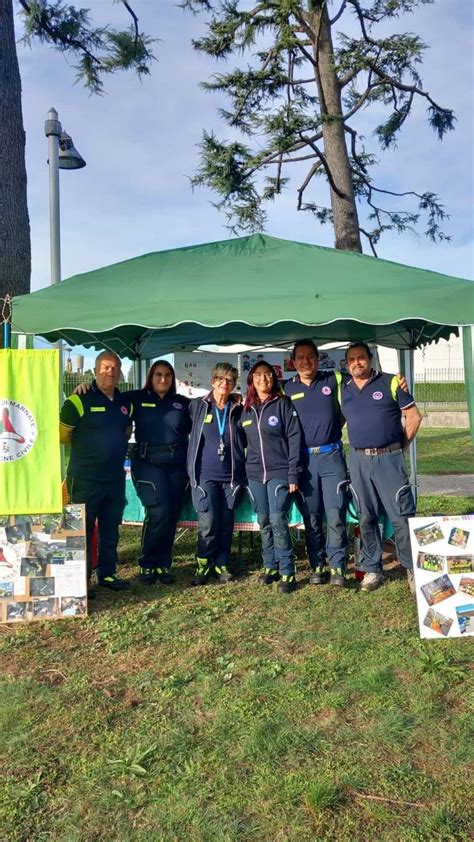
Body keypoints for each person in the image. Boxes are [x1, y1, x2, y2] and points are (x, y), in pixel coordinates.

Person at [341, 342, 422, 593]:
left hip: (389, 458)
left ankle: (411, 569)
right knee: (366, 517)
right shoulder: (342, 388)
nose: (357, 363)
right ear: (347, 363)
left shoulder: (391, 382)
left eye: (361, 358)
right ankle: (373, 569)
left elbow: (414, 417)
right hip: (358, 460)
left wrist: (400, 447)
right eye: (352, 359)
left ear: (371, 359)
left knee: (401, 516)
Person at [60, 351, 132, 596]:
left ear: (120, 372)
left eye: (114, 368)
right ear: (95, 371)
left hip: (114, 478)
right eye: (105, 367)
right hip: (84, 478)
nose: (109, 372)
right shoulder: (78, 399)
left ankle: (108, 573)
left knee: (111, 528)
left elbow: (127, 429)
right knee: (81, 530)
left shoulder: (124, 402)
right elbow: (62, 434)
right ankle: (79, 581)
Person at [284, 340, 349, 587]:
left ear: (318, 358)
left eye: (310, 356)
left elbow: (363, 379)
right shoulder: (286, 388)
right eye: (300, 357)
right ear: (293, 361)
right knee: (311, 517)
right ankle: (318, 564)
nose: (305, 361)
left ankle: (338, 567)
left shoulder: (333, 380)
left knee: (335, 513)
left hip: (331, 457)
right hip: (303, 460)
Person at [129, 360, 191, 584]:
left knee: (171, 514)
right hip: (148, 464)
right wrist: (86, 389)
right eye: (158, 375)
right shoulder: (136, 398)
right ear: (151, 377)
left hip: (176, 465)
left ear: (173, 379)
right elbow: (110, 398)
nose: (163, 379)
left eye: (167, 375)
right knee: (158, 512)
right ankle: (147, 563)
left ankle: (163, 564)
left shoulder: (182, 403)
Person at [242, 361, 302, 593]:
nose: (263, 379)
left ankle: (287, 570)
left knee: (278, 519)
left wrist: (292, 472)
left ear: (274, 378)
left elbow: (295, 438)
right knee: (264, 520)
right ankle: (270, 566)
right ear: (251, 380)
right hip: (255, 474)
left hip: (280, 472)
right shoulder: (246, 409)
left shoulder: (283, 404)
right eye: (258, 375)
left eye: (267, 375)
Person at [187, 362, 246, 585]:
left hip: (230, 478)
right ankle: (203, 564)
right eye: (220, 379)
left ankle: (222, 563)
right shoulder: (197, 406)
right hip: (205, 476)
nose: (224, 383)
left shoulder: (238, 409)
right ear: (212, 381)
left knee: (225, 522)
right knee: (209, 522)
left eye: (229, 380)